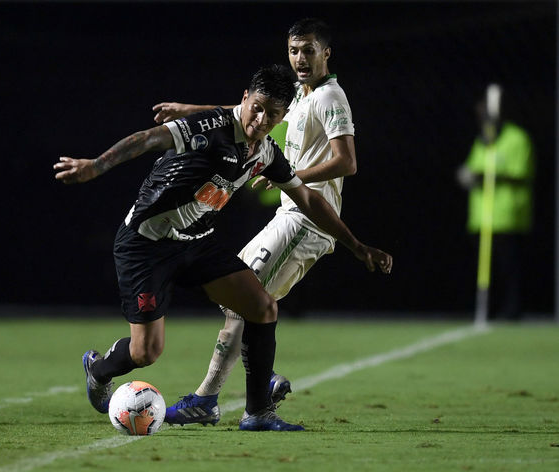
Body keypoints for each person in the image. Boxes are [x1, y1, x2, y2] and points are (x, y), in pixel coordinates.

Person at [54, 64, 393, 432]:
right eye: (258, 108)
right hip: (146, 244)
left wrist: (357, 246)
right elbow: (150, 138)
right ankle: (99, 369)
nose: (262, 120)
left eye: (273, 115)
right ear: (245, 99)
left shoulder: (265, 152)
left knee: (262, 306)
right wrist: (96, 165)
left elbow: (308, 200)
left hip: (197, 243)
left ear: (283, 116)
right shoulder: (210, 127)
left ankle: (257, 412)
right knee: (146, 352)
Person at [152, 18, 372, 426]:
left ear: (327, 53)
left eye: (309, 50)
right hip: (290, 215)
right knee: (238, 298)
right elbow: (251, 115)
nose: (300, 59)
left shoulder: (330, 98)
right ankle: (259, 379)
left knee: (243, 300)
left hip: (307, 220)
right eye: (293, 50)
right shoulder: (300, 96)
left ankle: (210, 399)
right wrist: (191, 111)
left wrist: (289, 176)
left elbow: (347, 162)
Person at [456, 87, 534, 320]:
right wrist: (468, 176)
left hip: (508, 216)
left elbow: (521, 174)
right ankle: (485, 310)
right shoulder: (483, 139)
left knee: (509, 268)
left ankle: (512, 311)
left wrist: (486, 176)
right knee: (482, 270)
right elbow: (474, 167)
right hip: (482, 216)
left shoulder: (517, 138)